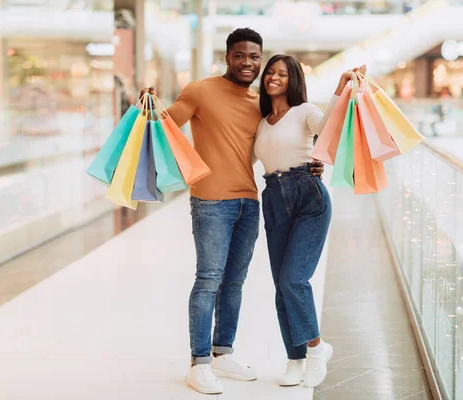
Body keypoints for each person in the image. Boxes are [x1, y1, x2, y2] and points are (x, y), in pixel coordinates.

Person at [139, 28, 324, 395]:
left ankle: (222, 353)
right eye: (240, 56)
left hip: (250, 201)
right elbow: (165, 124)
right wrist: (147, 106)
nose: (248, 63)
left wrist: (313, 162)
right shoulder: (199, 90)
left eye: (255, 57)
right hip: (210, 200)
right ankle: (199, 363)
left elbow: (288, 134)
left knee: (234, 282)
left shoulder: (260, 104)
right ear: (227, 57)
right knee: (208, 278)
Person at [254, 54, 365, 388]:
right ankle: (294, 358)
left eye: (282, 74)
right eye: (270, 72)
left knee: (293, 280)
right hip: (274, 198)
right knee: (281, 288)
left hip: (307, 197)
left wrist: (341, 85)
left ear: (294, 80)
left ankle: (316, 349)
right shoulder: (261, 120)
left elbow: (326, 126)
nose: (273, 77)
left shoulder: (304, 112)